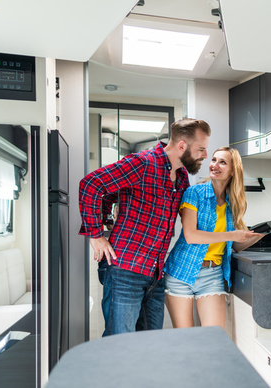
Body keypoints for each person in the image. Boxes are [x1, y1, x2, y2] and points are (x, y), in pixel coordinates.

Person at [79, 118, 211, 336]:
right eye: (201, 149)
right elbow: (91, 184)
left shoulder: (181, 178)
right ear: (182, 146)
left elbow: (111, 195)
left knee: (150, 344)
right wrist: (96, 234)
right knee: (120, 344)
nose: (205, 155)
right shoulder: (142, 163)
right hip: (126, 271)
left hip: (155, 275)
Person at [163, 146, 264, 328]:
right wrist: (233, 234)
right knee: (185, 337)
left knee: (214, 335)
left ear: (233, 171)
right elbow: (191, 235)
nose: (215, 165)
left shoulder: (233, 203)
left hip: (213, 274)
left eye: (223, 162)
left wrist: (259, 235)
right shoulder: (194, 193)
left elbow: (233, 245)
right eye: (214, 160)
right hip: (180, 272)